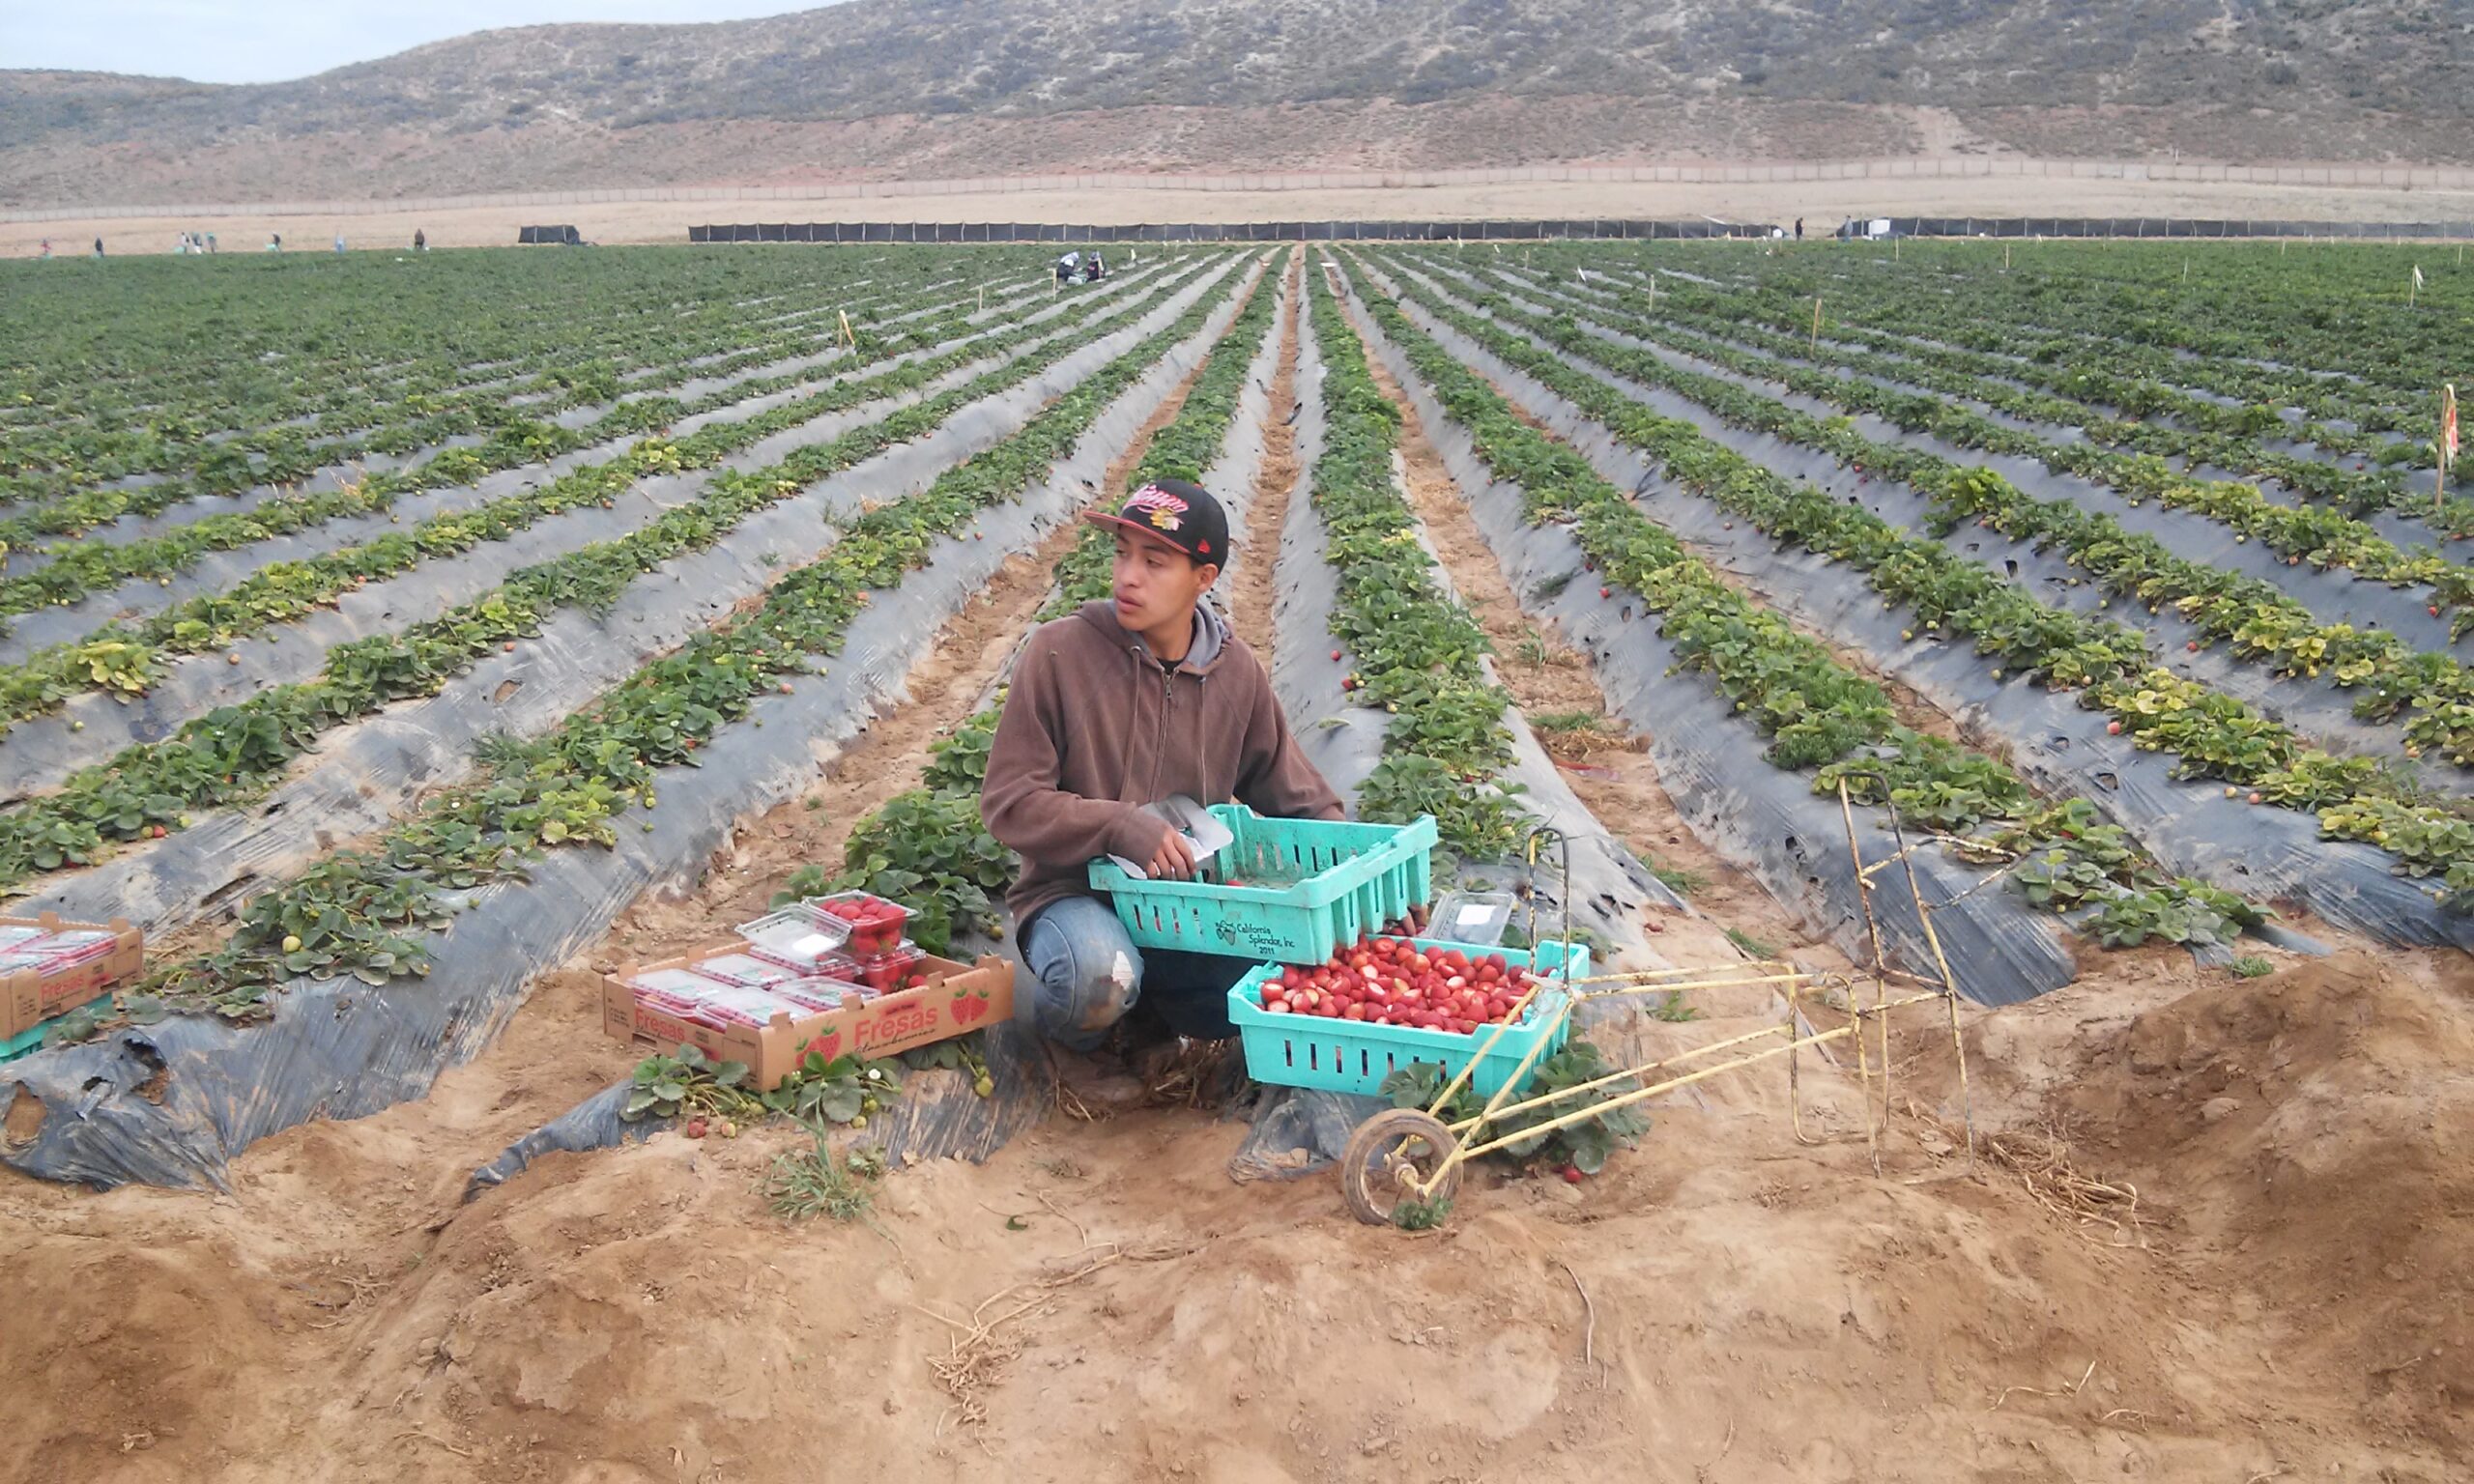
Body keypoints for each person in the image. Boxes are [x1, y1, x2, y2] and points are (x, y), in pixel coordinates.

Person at [982, 478, 1344, 1073]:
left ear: (1204, 577)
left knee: (1297, 973)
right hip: (1075, 895)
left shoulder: (1235, 675)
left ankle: (1150, 1019)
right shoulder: (1059, 653)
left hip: (1186, 909)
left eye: (1154, 562)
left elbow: (1299, 797)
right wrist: (1118, 827)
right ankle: (1078, 1049)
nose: (1128, 576)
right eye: (1122, 553)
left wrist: (1356, 882)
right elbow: (1010, 800)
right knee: (1096, 977)